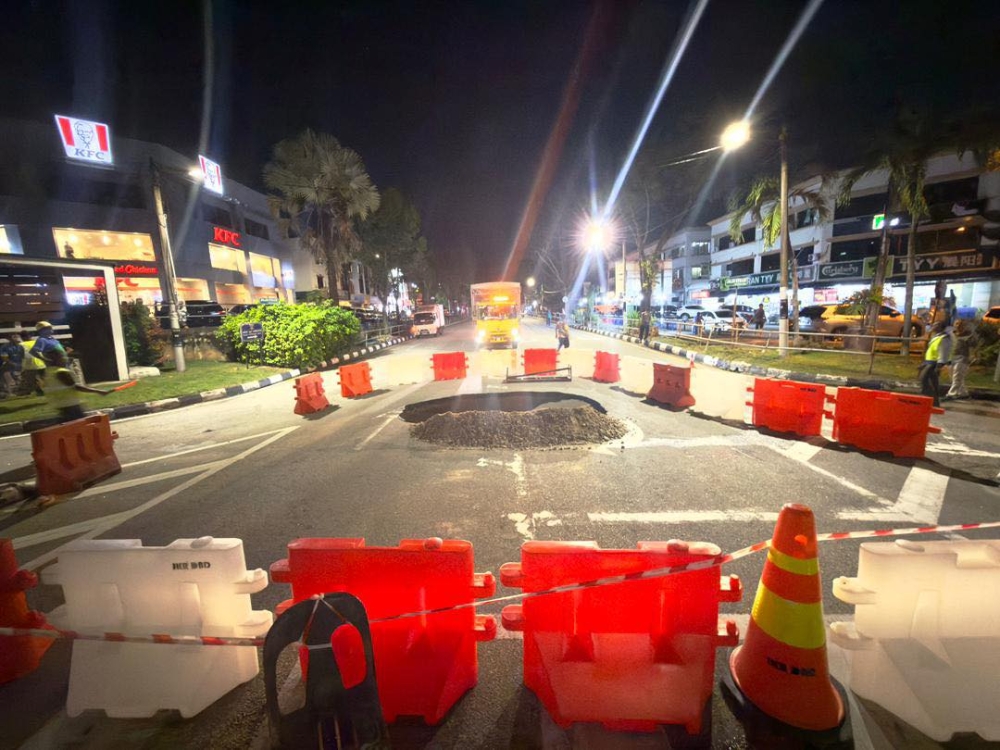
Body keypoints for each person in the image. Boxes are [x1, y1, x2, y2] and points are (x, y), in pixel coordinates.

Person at [47, 351, 114, 423]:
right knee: (82, 426)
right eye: (62, 357)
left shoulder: (49, 371)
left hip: (62, 406)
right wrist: (98, 391)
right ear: (56, 359)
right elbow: (75, 386)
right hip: (71, 406)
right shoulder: (61, 372)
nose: (65, 359)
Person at [919, 323, 948, 407]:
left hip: (933, 364)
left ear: (940, 327)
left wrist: (940, 365)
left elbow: (942, 352)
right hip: (929, 362)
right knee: (933, 383)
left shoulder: (943, 338)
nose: (933, 327)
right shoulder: (936, 336)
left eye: (935, 325)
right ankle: (934, 403)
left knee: (924, 380)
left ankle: (931, 401)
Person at [945, 319, 974, 400]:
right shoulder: (951, 334)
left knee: (957, 376)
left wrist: (972, 356)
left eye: (960, 324)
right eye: (956, 324)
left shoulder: (968, 336)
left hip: (962, 357)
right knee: (953, 377)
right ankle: (963, 393)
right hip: (951, 357)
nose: (958, 325)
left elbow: (973, 346)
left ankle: (951, 394)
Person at [17, 331, 47, 396]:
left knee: (32, 381)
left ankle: (39, 392)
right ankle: (43, 391)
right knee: (43, 379)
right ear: (30, 336)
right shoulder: (37, 342)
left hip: (30, 365)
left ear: (22, 337)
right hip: (42, 363)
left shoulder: (21, 345)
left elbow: (20, 355)